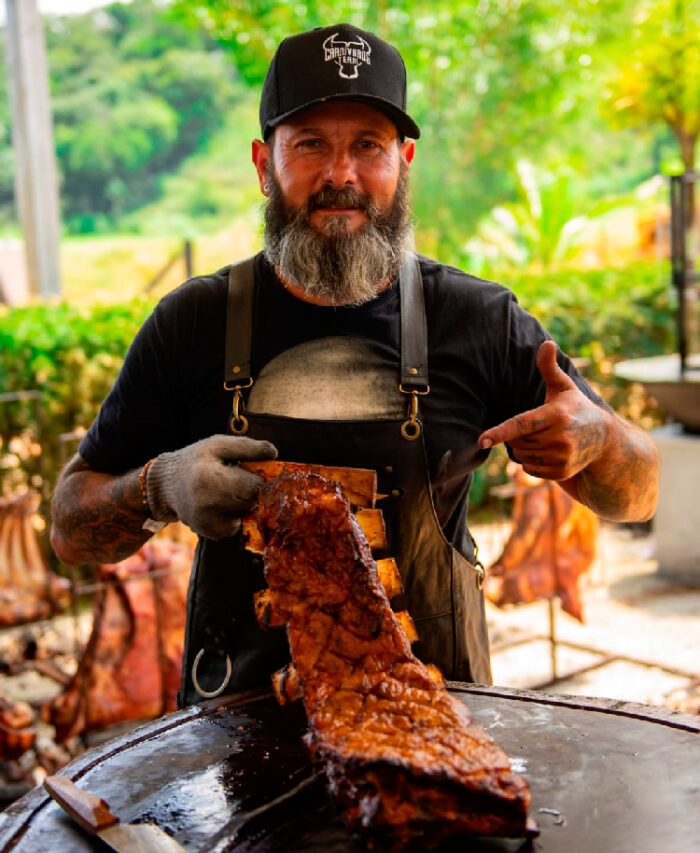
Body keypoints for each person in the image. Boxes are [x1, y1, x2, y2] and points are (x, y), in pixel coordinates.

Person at [50, 23, 659, 706]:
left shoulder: (479, 320)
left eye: (367, 146)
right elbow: (70, 530)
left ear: (404, 161)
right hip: (232, 746)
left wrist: (599, 442)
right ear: (262, 164)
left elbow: (642, 495)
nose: (341, 175)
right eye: (310, 144)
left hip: (439, 727)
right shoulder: (192, 322)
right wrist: (158, 487)